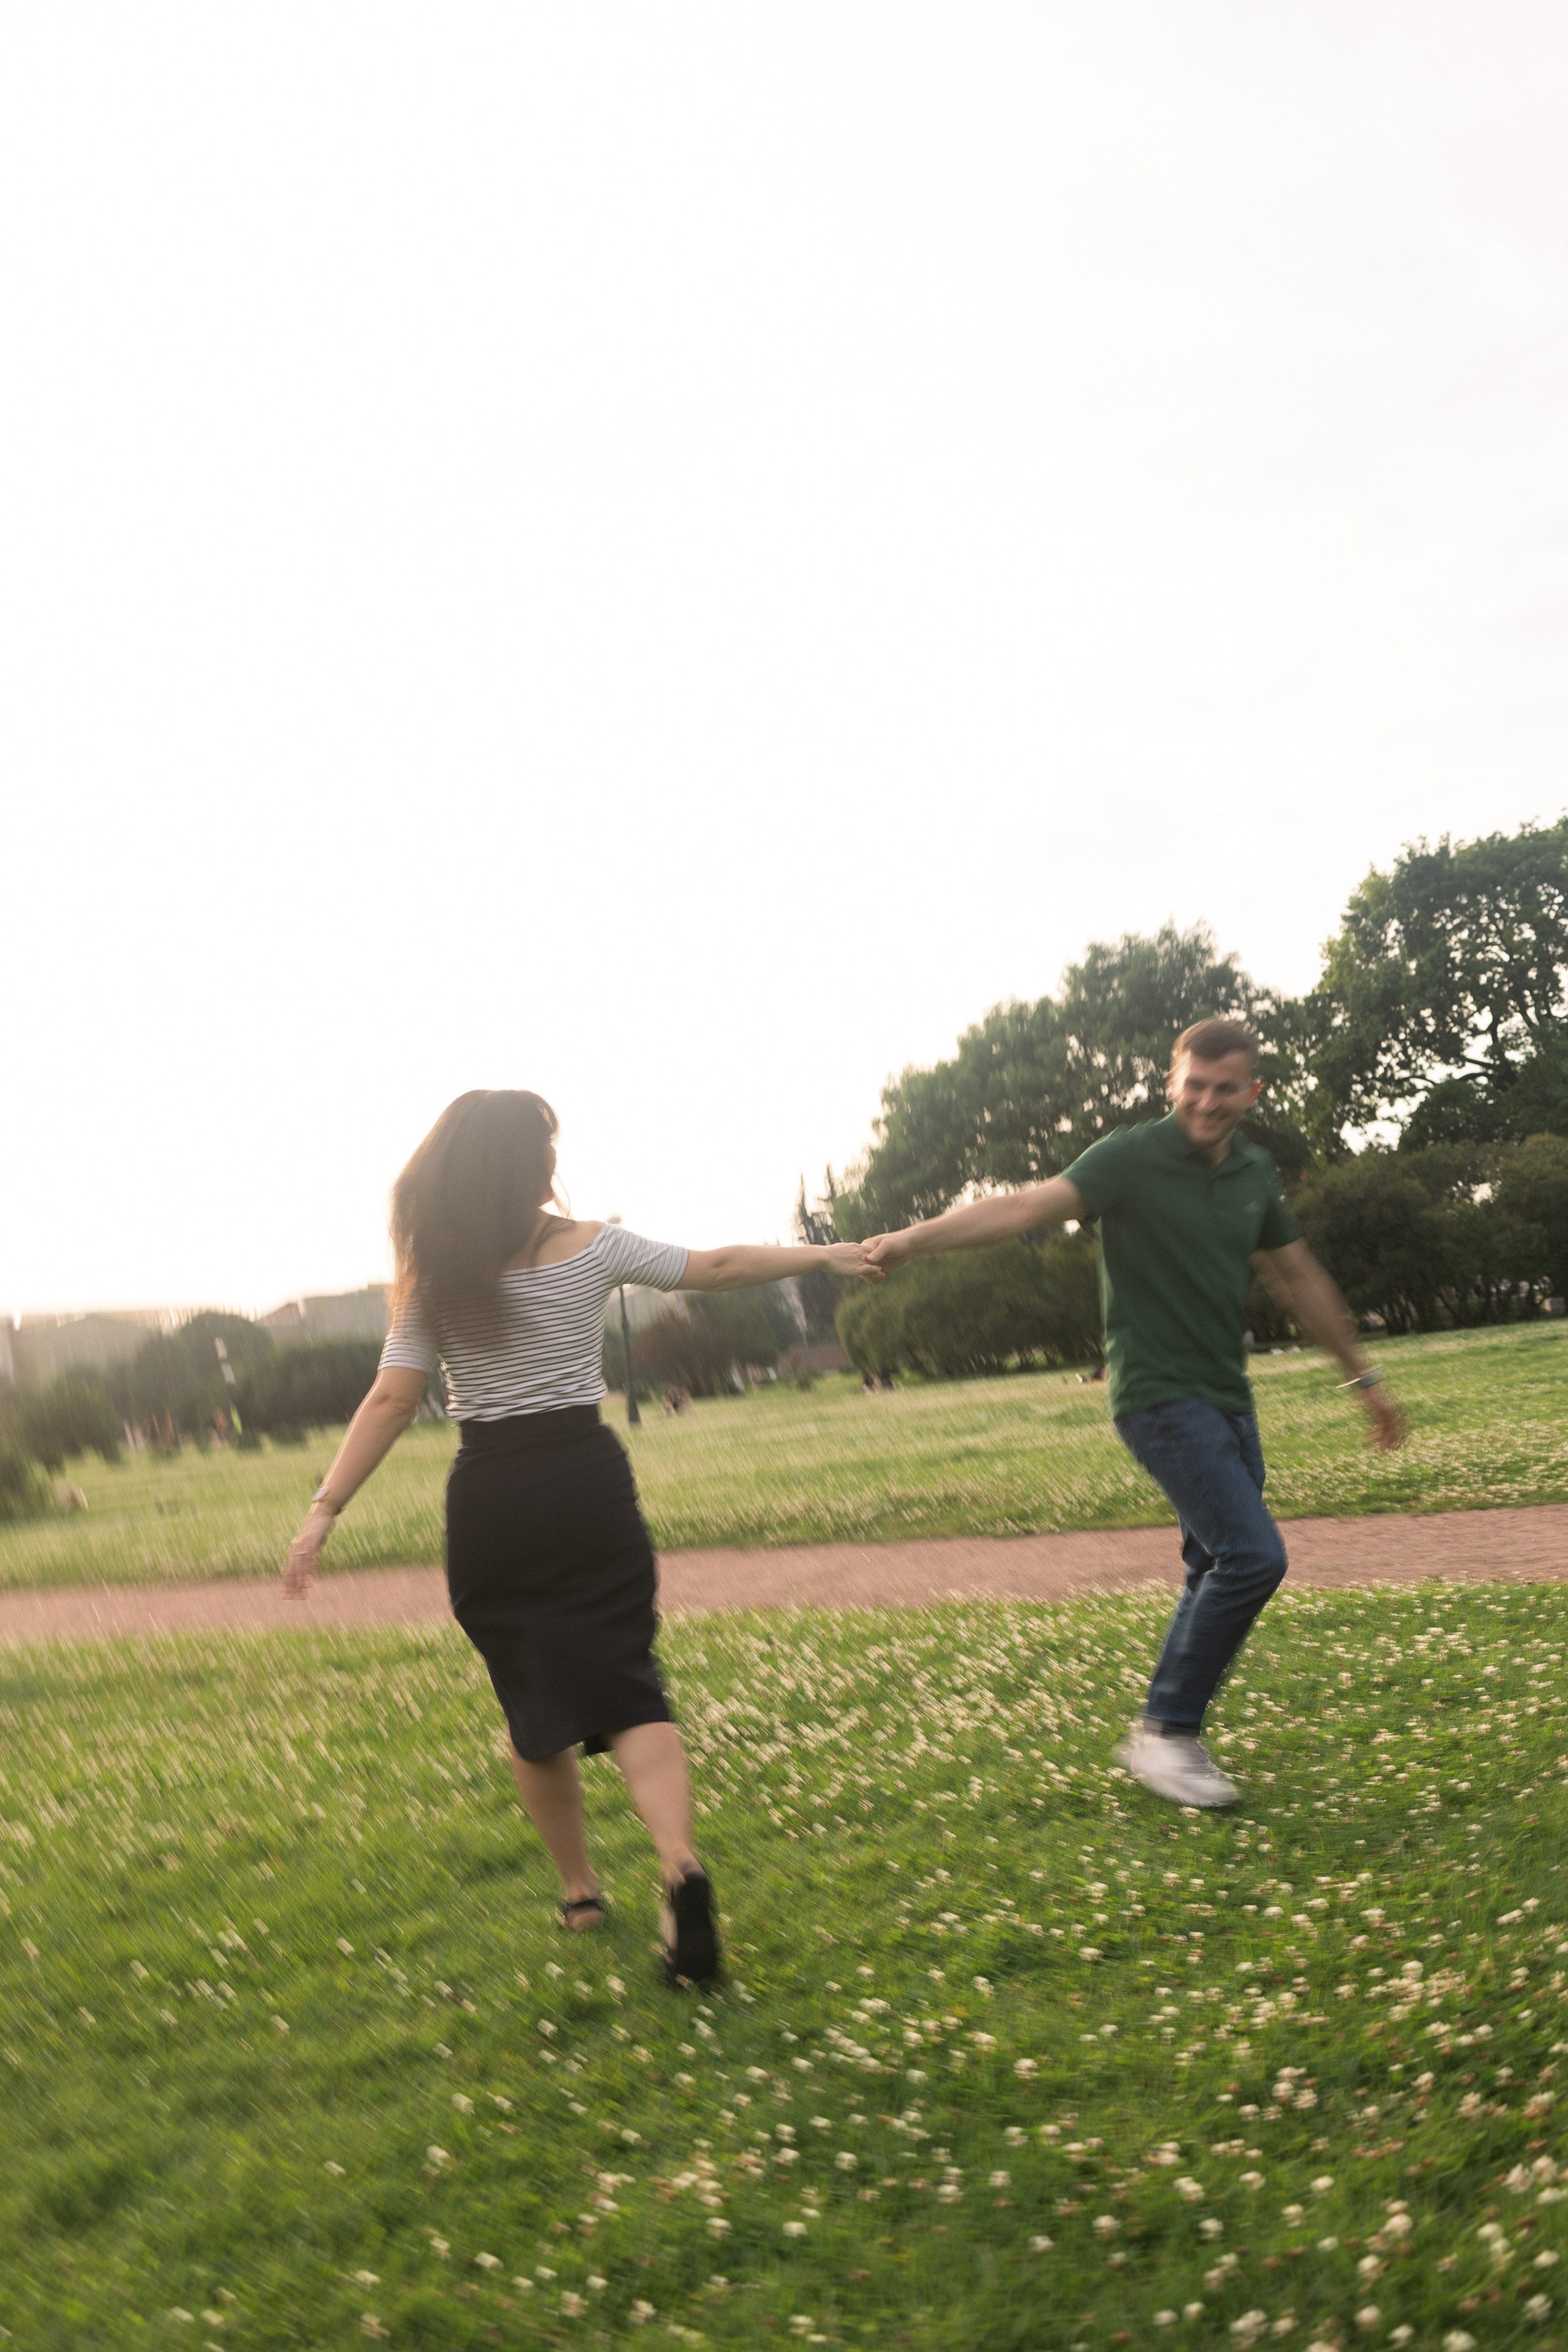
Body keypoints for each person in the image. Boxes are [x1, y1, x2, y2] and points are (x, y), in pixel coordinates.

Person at [284, 1088, 874, 1981]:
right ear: (532, 1165)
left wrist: (324, 1510)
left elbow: (393, 1401)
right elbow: (716, 1266)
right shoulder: (595, 1245)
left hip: (493, 1498)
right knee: (630, 1686)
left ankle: (581, 1893)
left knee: (533, 1705)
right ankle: (680, 1866)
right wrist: (828, 1253)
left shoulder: (437, 1276)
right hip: (586, 1483)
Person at [863, 1018, 1404, 1808]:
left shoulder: (1254, 1172)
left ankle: (1164, 1733)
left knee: (1213, 1565)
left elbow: (1300, 1280)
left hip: (1226, 1396)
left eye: (1226, 1089)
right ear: (1171, 1083)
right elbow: (1025, 1207)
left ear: (1253, 1092)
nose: (1208, 1102)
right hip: (1157, 1395)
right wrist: (915, 1240)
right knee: (1253, 1557)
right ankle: (1168, 1735)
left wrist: (1364, 1379)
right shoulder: (1129, 1158)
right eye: (1195, 1086)